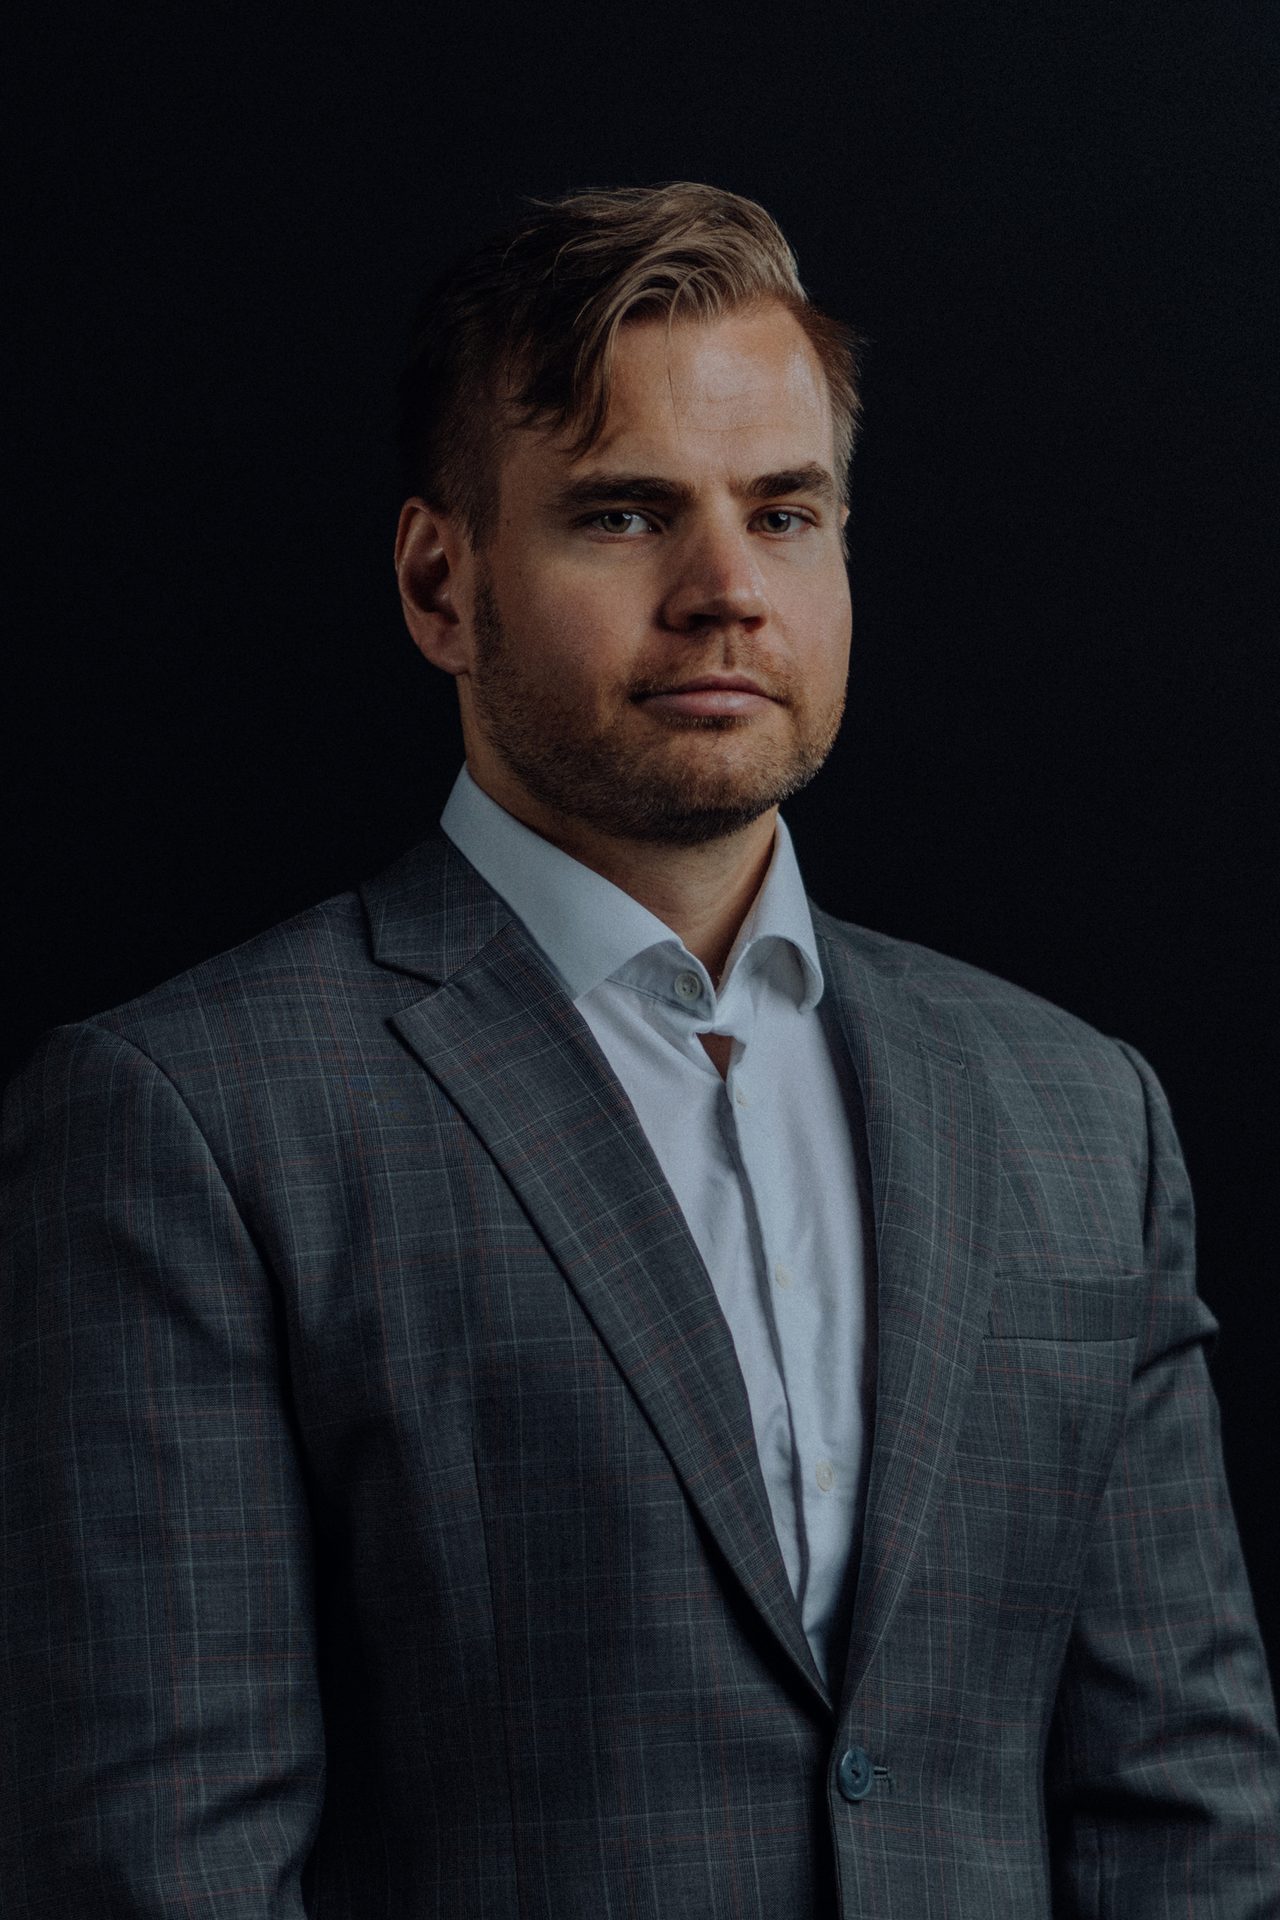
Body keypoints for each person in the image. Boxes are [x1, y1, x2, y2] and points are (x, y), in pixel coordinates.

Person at [1, 182, 1277, 1919]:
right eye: (622, 514)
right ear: (440, 583)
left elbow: (1189, 1807)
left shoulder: (1076, 1109)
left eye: (787, 511)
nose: (725, 590)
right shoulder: (190, 1122)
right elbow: (156, 1870)